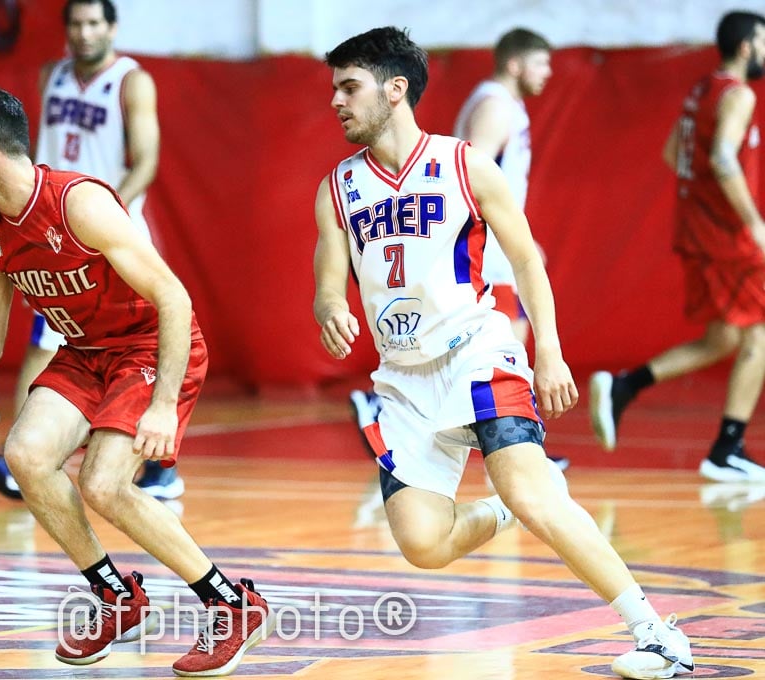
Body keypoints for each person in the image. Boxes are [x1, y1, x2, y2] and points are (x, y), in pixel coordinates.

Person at [315, 27, 692, 680]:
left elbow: (526, 259)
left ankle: (656, 634)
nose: (337, 102)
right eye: (334, 90)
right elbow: (328, 273)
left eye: (350, 87)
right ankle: (503, 511)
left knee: (535, 492)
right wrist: (329, 305)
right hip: (403, 382)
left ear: (395, 89)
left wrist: (548, 351)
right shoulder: (337, 188)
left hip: (476, 353)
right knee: (423, 545)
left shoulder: (465, 165)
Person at [0, 86, 272, 675]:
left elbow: (174, 298)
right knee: (26, 455)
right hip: (85, 354)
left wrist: (161, 406)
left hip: (146, 345)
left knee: (104, 484)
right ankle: (117, 598)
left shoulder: (78, 205)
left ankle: (231, 605)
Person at [0, 0, 184, 502]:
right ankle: (152, 468)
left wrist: (106, 211)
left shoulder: (133, 80)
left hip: (102, 227)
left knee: (135, 338)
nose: (84, 33)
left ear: (111, 27)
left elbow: (147, 159)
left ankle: (27, 457)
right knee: (57, 336)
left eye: (94, 23)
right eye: (76, 24)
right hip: (53, 224)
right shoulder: (53, 75)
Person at [349, 29, 569, 470]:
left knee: (510, 331)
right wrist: (502, 234)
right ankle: (505, 441)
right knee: (499, 333)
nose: (549, 72)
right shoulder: (495, 106)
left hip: (494, 236)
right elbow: (472, 177)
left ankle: (514, 439)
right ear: (514, 64)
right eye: (541, 62)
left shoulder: (503, 104)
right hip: (483, 240)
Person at [590, 11, 765, 483]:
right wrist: (754, 223)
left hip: (698, 231)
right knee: (759, 335)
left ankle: (625, 387)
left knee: (724, 338)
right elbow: (724, 159)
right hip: (728, 236)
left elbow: (674, 153)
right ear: (747, 45)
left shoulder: (699, 90)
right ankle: (728, 448)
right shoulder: (739, 94)